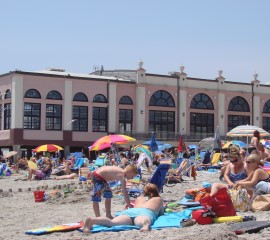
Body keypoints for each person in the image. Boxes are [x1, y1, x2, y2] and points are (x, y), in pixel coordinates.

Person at [83, 183, 164, 233]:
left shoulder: (139, 198)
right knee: (142, 220)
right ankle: (145, 224)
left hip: (130, 212)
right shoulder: (158, 199)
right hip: (145, 212)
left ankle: (92, 220)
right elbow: (161, 213)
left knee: (112, 222)